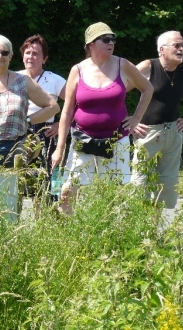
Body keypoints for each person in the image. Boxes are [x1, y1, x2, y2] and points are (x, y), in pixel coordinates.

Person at [51, 22, 153, 214]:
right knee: (67, 191)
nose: (111, 43)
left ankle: (110, 236)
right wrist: (59, 148)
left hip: (116, 139)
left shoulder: (124, 65)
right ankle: (72, 234)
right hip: (83, 139)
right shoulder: (78, 70)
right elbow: (66, 111)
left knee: (116, 193)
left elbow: (147, 88)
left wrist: (137, 117)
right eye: (105, 39)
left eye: (113, 39)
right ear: (90, 45)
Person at [0, 34, 60, 167]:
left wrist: (28, 121)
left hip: (14, 152)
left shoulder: (23, 82)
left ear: (11, 56)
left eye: (4, 52)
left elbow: (53, 106)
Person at [130, 31, 183, 208]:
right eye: (177, 45)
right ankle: (134, 229)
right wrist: (130, 120)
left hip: (172, 135)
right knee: (139, 184)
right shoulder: (148, 67)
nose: (181, 49)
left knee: (165, 186)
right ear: (162, 50)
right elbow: (118, 91)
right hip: (147, 134)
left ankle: (152, 231)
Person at [18, 34, 66, 183]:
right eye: (27, 53)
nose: (30, 57)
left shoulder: (55, 80)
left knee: (42, 182)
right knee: (18, 181)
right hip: (18, 132)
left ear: (44, 58)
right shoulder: (14, 78)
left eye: (35, 53)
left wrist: (60, 125)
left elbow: (77, 105)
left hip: (45, 134)